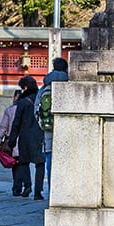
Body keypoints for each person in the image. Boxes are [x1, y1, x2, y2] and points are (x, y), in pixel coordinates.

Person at [33, 57, 70, 200]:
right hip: (66, 130)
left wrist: (43, 124)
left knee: (50, 161)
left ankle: (52, 192)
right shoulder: (70, 84)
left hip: (48, 130)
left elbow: (36, 109)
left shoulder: (45, 87)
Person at [6, 76, 41, 197]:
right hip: (40, 136)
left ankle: (27, 185)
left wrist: (12, 140)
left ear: (25, 87)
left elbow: (16, 123)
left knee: (23, 162)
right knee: (40, 163)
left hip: (25, 136)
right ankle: (38, 191)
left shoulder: (22, 102)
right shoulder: (41, 99)